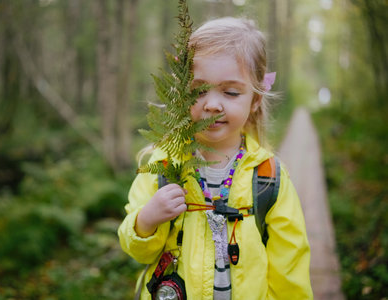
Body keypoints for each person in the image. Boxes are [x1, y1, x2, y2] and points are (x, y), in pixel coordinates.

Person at [118, 17, 313, 300]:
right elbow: (138, 251)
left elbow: (290, 272)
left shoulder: (269, 176)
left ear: (255, 99)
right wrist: (146, 220)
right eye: (198, 91)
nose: (211, 104)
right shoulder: (163, 164)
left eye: (230, 92)